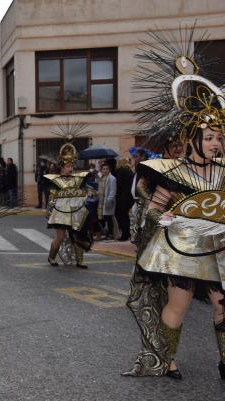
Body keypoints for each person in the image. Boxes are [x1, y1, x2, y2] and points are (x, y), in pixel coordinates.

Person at [123, 38, 225, 381]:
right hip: (179, 250)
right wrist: (165, 219)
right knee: (178, 307)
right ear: (194, 138)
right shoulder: (172, 171)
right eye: (209, 137)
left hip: (217, 248)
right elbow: (153, 209)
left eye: (219, 138)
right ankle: (167, 359)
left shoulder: (224, 172)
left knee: (222, 305)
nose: (216, 144)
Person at [44, 137, 92, 269]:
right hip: (60, 212)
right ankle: (51, 257)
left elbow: (84, 192)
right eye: (67, 166)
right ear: (62, 167)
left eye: (71, 166)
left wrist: (87, 193)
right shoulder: (56, 180)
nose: (70, 168)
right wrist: (49, 211)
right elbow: (52, 197)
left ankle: (80, 261)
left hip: (75, 211)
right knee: (60, 237)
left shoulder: (77, 179)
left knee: (78, 235)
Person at [113, 157, 134, 241]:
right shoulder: (130, 172)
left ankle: (125, 234)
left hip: (121, 198)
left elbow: (118, 186)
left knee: (121, 216)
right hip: (129, 198)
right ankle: (126, 233)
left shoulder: (120, 172)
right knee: (125, 216)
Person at [96, 162, 118, 240]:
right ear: (101, 170)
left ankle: (111, 234)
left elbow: (112, 192)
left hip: (107, 201)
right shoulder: (101, 178)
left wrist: (109, 201)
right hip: (101, 201)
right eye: (103, 169)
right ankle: (104, 233)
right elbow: (99, 189)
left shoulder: (112, 178)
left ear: (109, 170)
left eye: (107, 169)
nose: (105, 170)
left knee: (108, 218)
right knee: (101, 218)